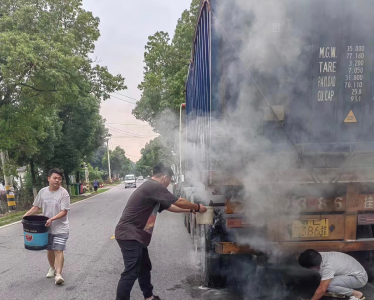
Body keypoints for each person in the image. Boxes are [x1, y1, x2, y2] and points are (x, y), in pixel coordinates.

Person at [115, 163, 208, 300]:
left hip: (135, 235)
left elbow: (171, 207)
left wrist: (191, 210)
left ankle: (149, 297)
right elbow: (179, 201)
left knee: (144, 267)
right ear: (164, 177)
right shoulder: (153, 186)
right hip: (130, 234)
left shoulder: (152, 188)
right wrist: (197, 206)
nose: (169, 184)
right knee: (131, 272)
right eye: (169, 180)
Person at [24, 168, 71, 285]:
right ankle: (52, 267)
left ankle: (58, 274)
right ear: (48, 178)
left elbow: (64, 212)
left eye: (60, 179)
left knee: (58, 250)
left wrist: (52, 219)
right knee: (49, 250)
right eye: (55, 178)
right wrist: (26, 215)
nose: (57, 181)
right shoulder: (43, 192)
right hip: (45, 227)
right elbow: (36, 207)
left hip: (61, 227)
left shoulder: (64, 193)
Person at [298, 249, 368, 300]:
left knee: (328, 285)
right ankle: (337, 289)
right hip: (351, 273)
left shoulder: (328, 266)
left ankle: (356, 294)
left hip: (359, 279)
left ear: (313, 266)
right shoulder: (318, 256)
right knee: (324, 281)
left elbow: (322, 289)